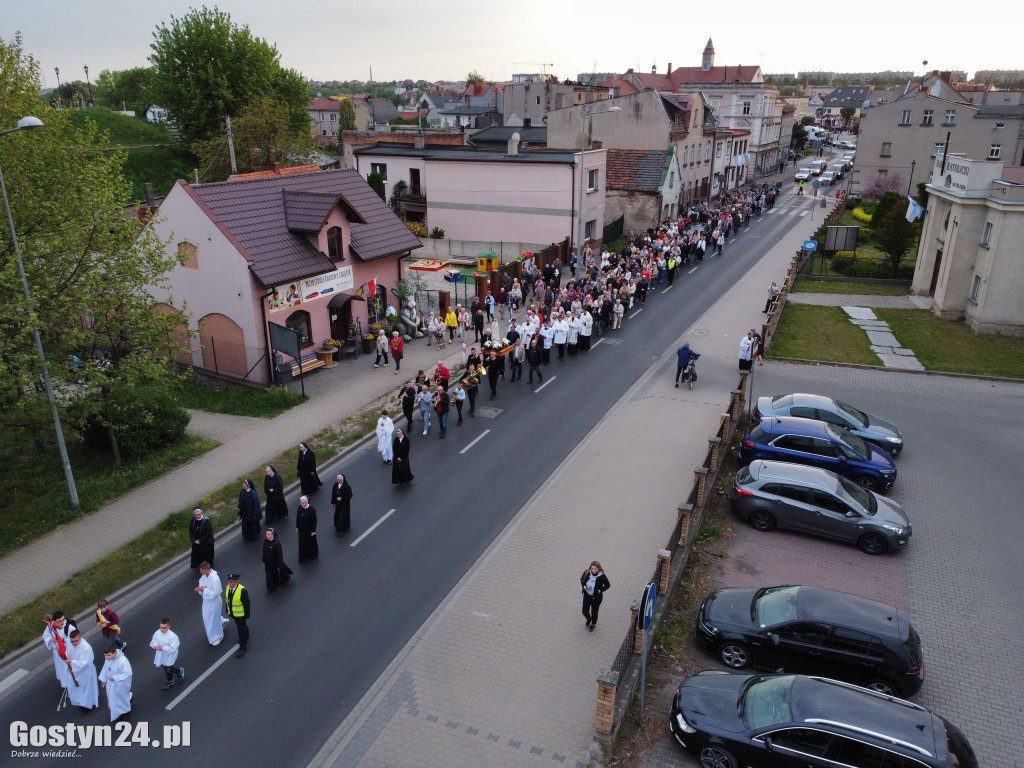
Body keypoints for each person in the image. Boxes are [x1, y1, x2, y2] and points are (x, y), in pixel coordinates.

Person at [42, 612, 78, 690]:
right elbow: (45, 636)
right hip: (58, 653)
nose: (62, 622)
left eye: (63, 620)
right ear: (54, 621)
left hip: (68, 652)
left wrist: (62, 640)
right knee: (63, 671)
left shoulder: (69, 627)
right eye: (59, 621)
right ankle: (67, 687)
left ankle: (74, 685)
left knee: (70, 669)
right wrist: (50, 640)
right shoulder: (50, 626)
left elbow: (75, 639)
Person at [66, 631, 99, 712]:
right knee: (77, 688)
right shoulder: (70, 644)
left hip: (85, 671)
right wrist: (69, 666)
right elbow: (67, 654)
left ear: (80, 637)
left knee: (86, 688)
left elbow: (85, 663)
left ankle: (88, 705)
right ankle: (81, 702)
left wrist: (71, 663)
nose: (74, 643)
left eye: (76, 641)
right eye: (72, 641)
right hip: (75, 670)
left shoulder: (86, 648)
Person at [98, 645, 133, 722]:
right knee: (113, 699)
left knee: (122, 699)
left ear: (115, 653)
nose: (106, 657)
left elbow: (127, 673)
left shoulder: (122, 661)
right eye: (105, 655)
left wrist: (115, 677)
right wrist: (104, 679)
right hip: (111, 684)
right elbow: (106, 669)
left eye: (108, 655)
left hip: (121, 684)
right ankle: (118, 712)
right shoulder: (108, 659)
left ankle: (125, 712)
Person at [194, 562, 226, 646]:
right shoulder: (204, 576)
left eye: (201, 571)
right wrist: (201, 589)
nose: (200, 573)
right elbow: (202, 583)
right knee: (208, 617)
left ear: (205, 569)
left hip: (214, 601)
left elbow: (215, 592)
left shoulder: (215, 578)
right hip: (207, 601)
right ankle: (221, 621)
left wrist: (204, 590)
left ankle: (218, 635)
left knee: (212, 618)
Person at [150, 619, 184, 690]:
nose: (162, 629)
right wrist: (156, 646)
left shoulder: (173, 636)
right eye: (161, 627)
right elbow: (153, 642)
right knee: (164, 667)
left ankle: (180, 671)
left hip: (170, 654)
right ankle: (171, 680)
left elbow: (173, 648)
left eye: (164, 627)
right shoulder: (157, 633)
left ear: (168, 627)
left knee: (168, 668)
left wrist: (163, 648)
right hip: (161, 654)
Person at [580, 561, 611, 633]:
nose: (593, 570)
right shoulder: (587, 572)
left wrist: (600, 590)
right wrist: (584, 585)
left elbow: (608, 585)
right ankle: (589, 619)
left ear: (599, 569)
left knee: (594, 612)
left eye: (595, 569)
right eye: (592, 568)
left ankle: (593, 624)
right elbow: (582, 580)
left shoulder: (602, 576)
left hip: (596, 597)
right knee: (584, 611)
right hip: (587, 595)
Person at [224, 574, 250, 658]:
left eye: (231, 582)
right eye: (229, 582)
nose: (230, 584)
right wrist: (228, 610)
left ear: (236, 582)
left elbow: (246, 603)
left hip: (241, 614)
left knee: (240, 630)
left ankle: (243, 647)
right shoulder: (228, 588)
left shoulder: (242, 590)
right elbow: (228, 600)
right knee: (242, 626)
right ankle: (246, 634)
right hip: (234, 613)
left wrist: (247, 614)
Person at [262, 528, 292, 593]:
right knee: (269, 576)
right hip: (267, 563)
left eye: (269, 534)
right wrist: (263, 561)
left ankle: (284, 579)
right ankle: (270, 588)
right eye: (266, 534)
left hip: (275, 563)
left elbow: (280, 556)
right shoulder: (265, 541)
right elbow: (264, 551)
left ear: (273, 535)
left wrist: (280, 565)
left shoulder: (276, 543)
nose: (267, 535)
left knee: (277, 574)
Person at [295, 496, 319, 563]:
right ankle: (302, 556)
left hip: (309, 530)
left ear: (307, 502)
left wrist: (313, 531)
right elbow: (298, 518)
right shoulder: (300, 508)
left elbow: (314, 521)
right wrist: (297, 527)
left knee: (309, 544)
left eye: (303, 503)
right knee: (302, 543)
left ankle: (310, 556)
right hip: (301, 530)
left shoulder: (312, 510)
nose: (301, 504)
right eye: (301, 503)